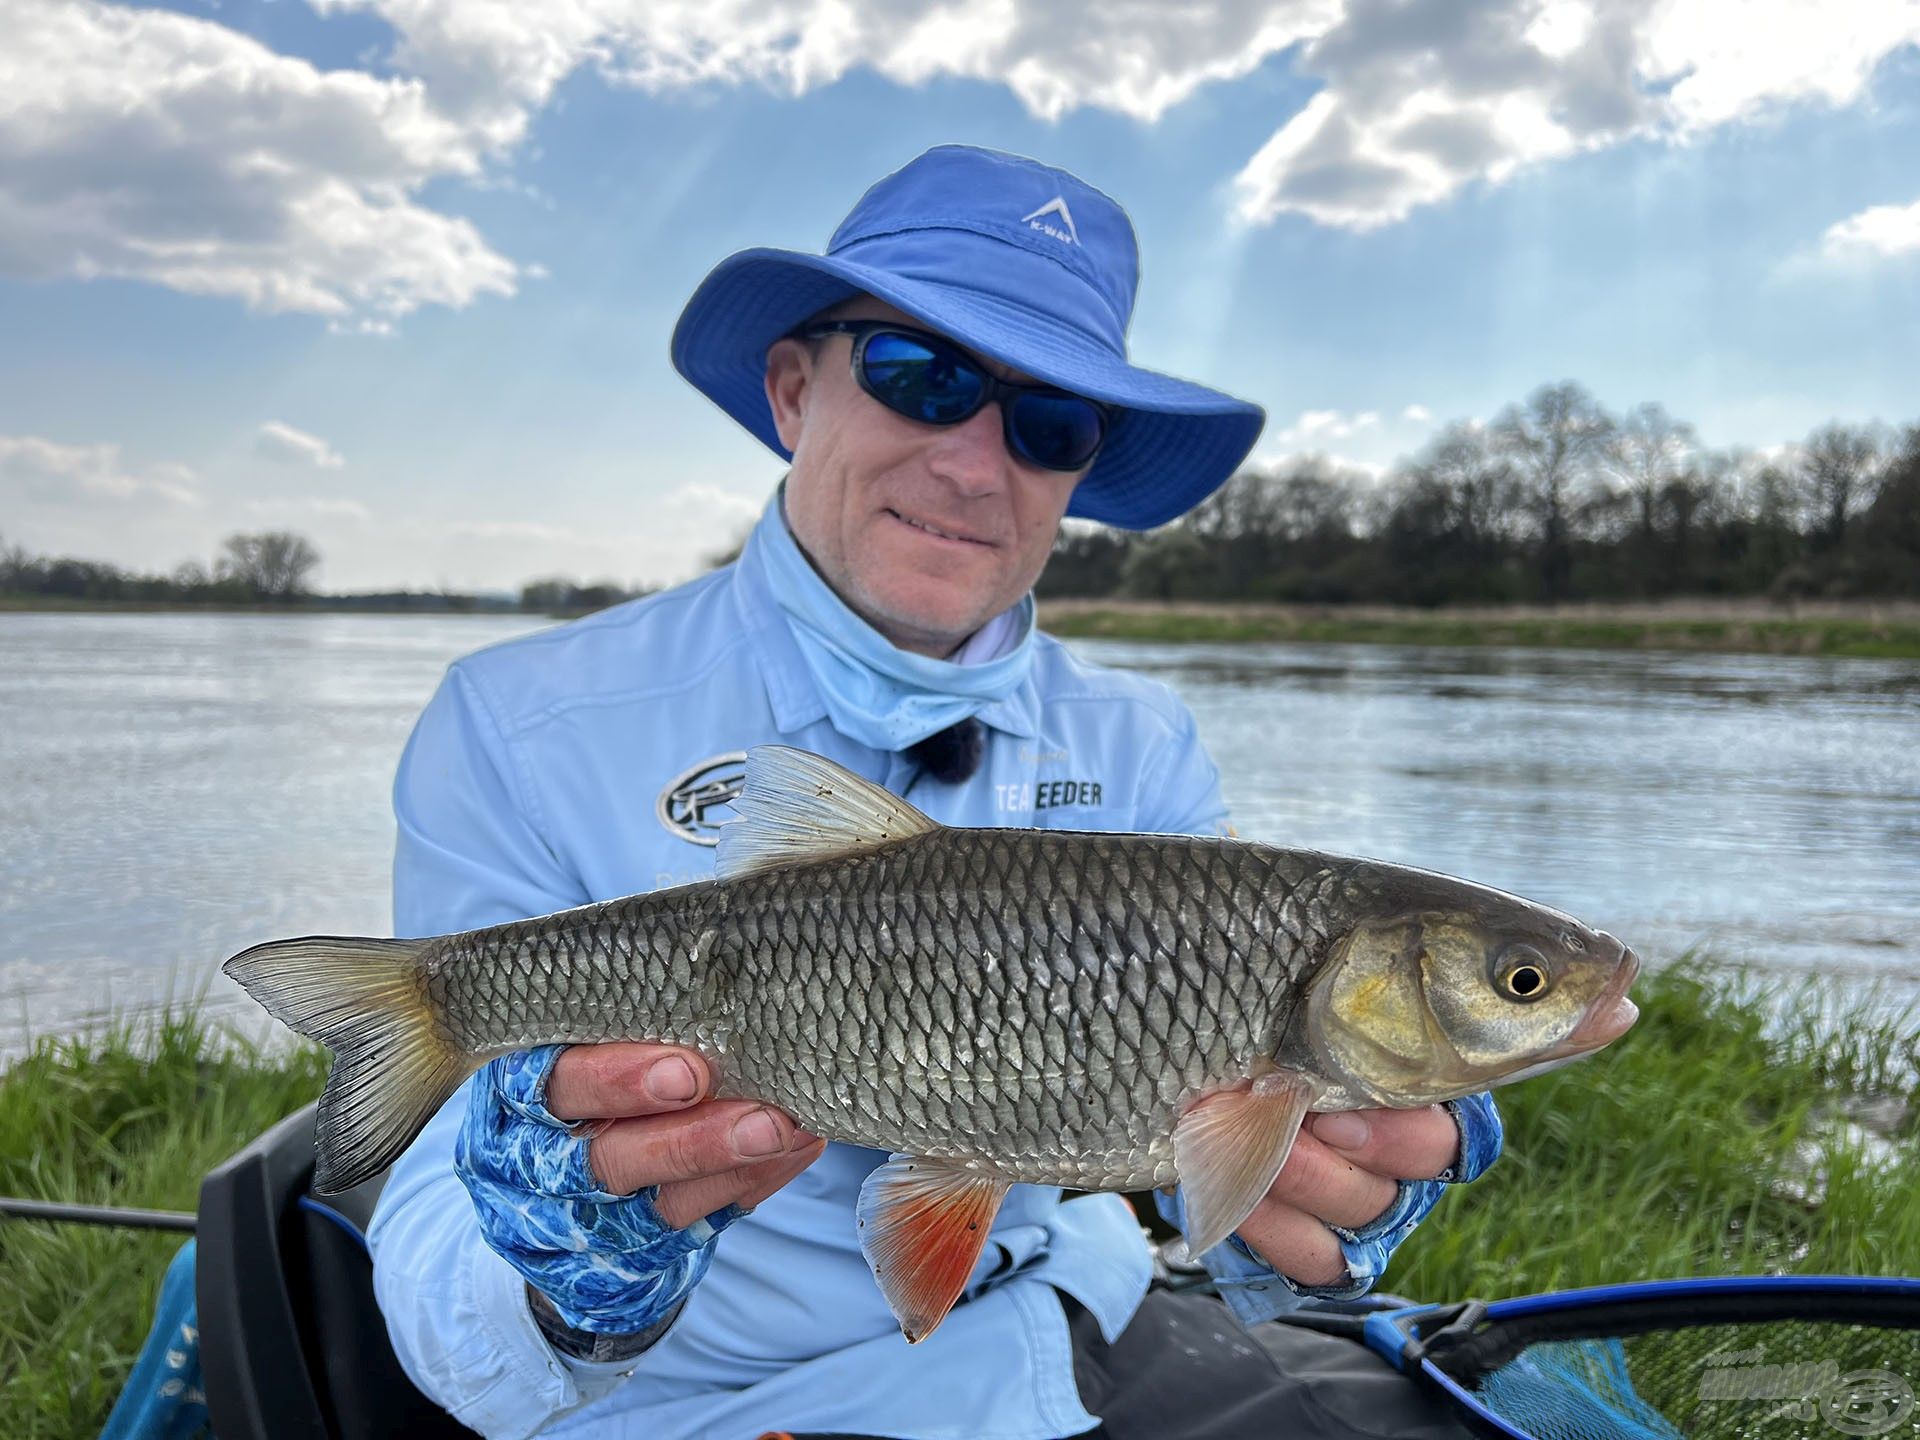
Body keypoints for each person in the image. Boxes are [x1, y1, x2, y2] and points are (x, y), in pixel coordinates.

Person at [367, 144, 1501, 1440]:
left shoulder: (1138, 738)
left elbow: (1199, 1140)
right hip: (684, 1404)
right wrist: (569, 1284)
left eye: (1047, 424)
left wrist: (1283, 1213)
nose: (975, 465)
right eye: (923, 377)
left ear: (1080, 471)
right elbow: (433, 1247)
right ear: (793, 390)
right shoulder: (521, 722)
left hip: (1063, 1330)